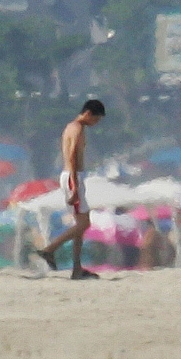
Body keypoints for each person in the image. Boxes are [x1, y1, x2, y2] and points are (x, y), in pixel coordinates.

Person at [35, 99, 106, 280]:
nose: (95, 124)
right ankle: (50, 249)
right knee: (84, 224)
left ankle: (76, 269)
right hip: (72, 176)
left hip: (72, 176)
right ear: (88, 114)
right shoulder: (77, 128)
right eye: (96, 120)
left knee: (81, 225)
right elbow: (73, 156)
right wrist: (74, 186)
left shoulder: (71, 127)